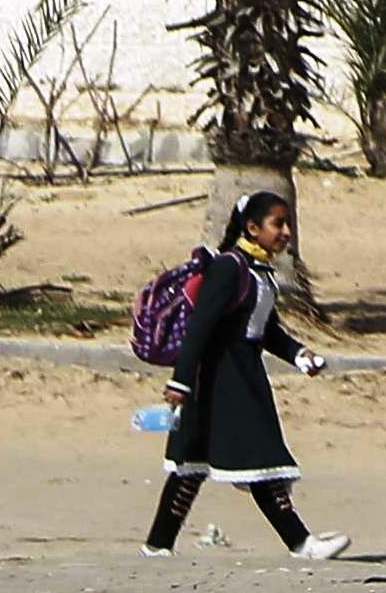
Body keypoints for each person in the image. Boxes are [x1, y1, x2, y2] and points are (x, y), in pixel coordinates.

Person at [150, 186, 351, 554]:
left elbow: (266, 330)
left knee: (195, 465)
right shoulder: (229, 268)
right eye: (279, 224)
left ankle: (157, 546)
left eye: (288, 223)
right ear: (253, 228)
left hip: (243, 377)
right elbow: (201, 326)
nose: (287, 231)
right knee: (251, 459)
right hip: (218, 382)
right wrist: (180, 381)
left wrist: (299, 354)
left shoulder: (260, 273)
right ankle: (302, 543)